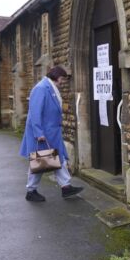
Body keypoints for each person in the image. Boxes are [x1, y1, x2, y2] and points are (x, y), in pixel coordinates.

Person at [19, 66, 83, 202]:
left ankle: (66, 187)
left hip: (52, 133)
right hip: (43, 134)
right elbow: (34, 113)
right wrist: (38, 132)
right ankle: (31, 191)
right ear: (56, 76)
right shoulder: (42, 88)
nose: (62, 82)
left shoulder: (49, 87)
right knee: (40, 162)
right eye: (62, 79)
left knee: (57, 160)